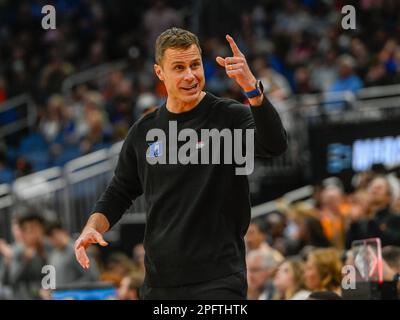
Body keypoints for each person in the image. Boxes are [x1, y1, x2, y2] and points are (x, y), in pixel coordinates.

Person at [74, 27, 287, 300]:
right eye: (178, 67)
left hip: (218, 278)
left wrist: (252, 90)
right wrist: (93, 226)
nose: (190, 75)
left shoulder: (229, 116)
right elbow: (120, 191)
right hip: (160, 281)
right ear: (159, 72)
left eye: (195, 65)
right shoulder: (144, 131)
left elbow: (275, 145)